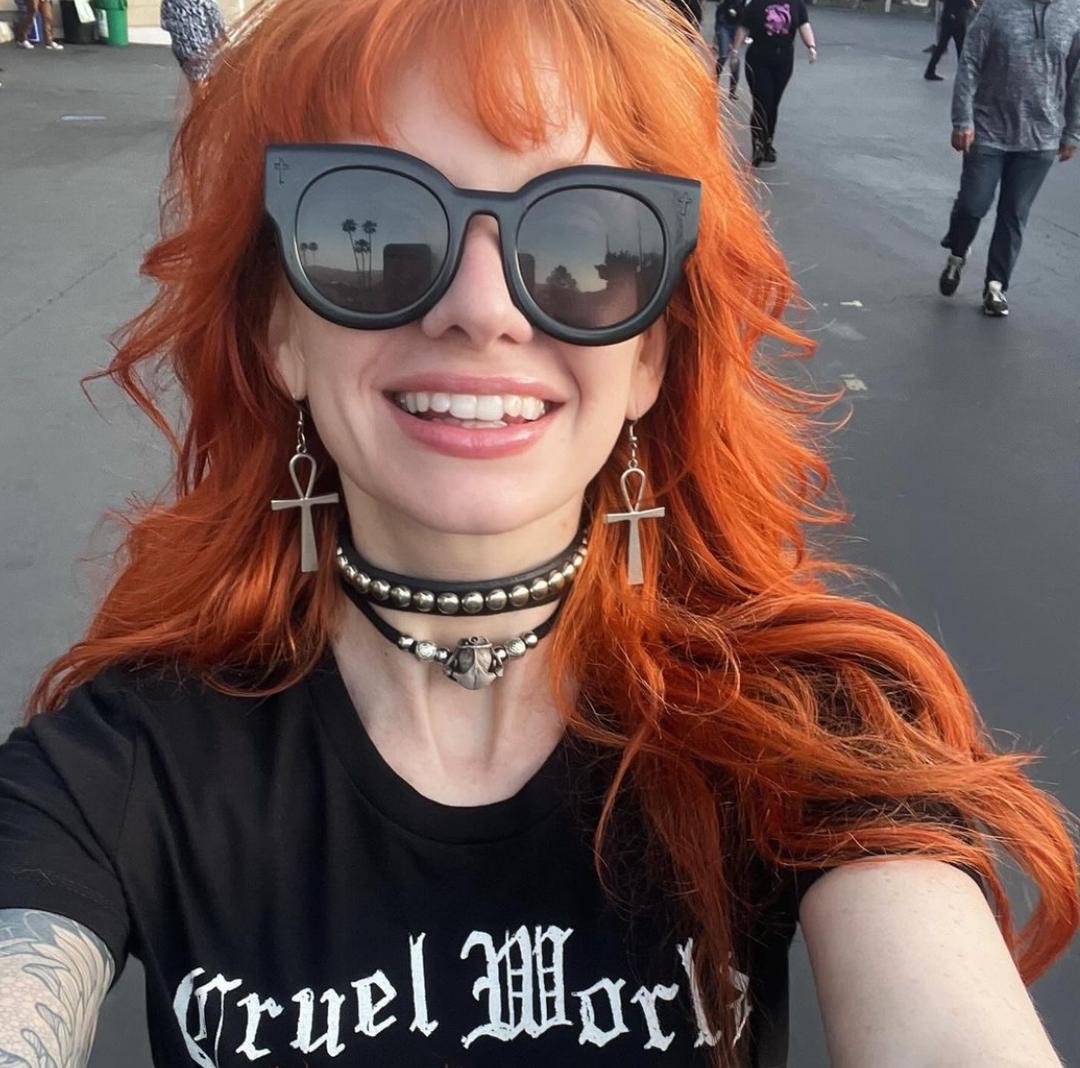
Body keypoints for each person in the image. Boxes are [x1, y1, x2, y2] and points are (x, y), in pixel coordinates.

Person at [1, 2, 1077, 1066]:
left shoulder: (804, 726)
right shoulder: (122, 766)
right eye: (375, 227)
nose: (483, 308)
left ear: (650, 358)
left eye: (586, 239)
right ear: (278, 330)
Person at [938, 0, 1079, 317]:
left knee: (1014, 213)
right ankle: (957, 254)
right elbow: (970, 61)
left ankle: (996, 286)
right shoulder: (998, 7)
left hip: (1041, 137)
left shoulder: (1074, 13)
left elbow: (1076, 78)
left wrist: (1073, 131)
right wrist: (962, 120)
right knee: (973, 205)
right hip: (988, 129)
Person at [732, 0, 818, 166]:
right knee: (762, 101)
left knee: (773, 104)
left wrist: (811, 46)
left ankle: (768, 142)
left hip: (783, 60)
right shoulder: (757, 4)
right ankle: (758, 142)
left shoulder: (796, 4)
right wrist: (735, 52)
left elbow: (803, 24)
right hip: (759, 59)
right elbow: (743, 27)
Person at [160, 0, 226, 83]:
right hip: (198, 44)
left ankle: (200, 84)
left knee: (200, 76)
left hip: (192, 45)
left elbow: (166, 23)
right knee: (202, 75)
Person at [923, 0, 976, 79]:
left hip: (948, 16)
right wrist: (972, 4)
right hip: (958, 19)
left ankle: (930, 70)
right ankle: (963, 73)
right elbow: (967, 4)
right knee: (961, 48)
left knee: (941, 46)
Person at [715, 0, 747, 99]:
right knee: (723, 56)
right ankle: (714, 82)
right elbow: (720, 9)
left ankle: (732, 91)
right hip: (724, 24)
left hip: (739, 26)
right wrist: (718, 29)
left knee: (735, 58)